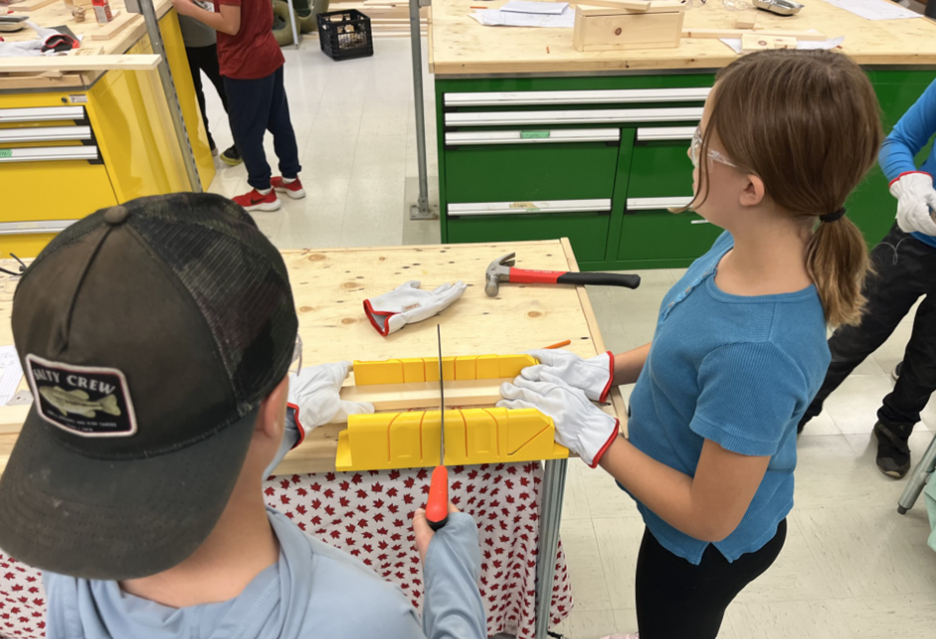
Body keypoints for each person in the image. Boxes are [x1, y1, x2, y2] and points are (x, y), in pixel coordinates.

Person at [498, 50, 882, 639]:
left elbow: (708, 516)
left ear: (751, 189)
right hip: (682, 504)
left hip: (702, 551)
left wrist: (595, 436)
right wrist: (607, 372)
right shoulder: (742, 250)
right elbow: (688, 344)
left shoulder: (761, 351)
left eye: (702, 140)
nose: (688, 149)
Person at [0, 193, 486, 639]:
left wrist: (268, 433)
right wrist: (453, 582)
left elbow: (148, 471)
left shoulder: (68, 567)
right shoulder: (364, 619)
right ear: (274, 404)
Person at [796, 79, 936, 479]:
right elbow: (897, 143)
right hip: (915, 240)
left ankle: (896, 425)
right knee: (856, 333)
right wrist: (907, 182)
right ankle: (796, 412)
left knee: (930, 360)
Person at [171, 0, 306, 212]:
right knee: (279, 122)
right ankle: (291, 179)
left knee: (246, 132)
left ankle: (263, 192)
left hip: (245, 63)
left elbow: (230, 25)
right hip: (267, 53)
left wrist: (190, 9)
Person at [178, 14, 241, 164]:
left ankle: (244, 144)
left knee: (227, 91)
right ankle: (205, 141)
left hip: (202, 36)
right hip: (176, 38)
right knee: (190, 94)